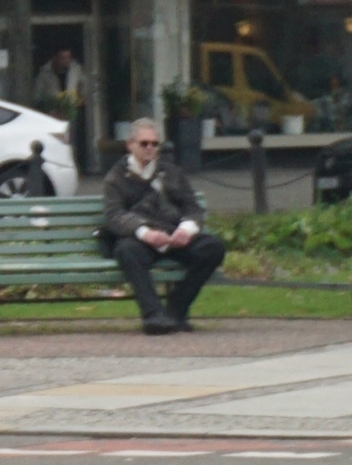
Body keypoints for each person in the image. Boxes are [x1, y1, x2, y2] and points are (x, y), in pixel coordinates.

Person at [101, 117, 226, 334]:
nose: (150, 148)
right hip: (142, 241)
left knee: (213, 247)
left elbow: (192, 208)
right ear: (130, 145)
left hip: (174, 237)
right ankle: (153, 314)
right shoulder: (115, 178)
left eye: (154, 144)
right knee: (126, 250)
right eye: (144, 143)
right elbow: (114, 215)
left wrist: (186, 230)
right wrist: (145, 233)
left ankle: (174, 311)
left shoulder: (172, 172)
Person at [34, 48, 87, 163]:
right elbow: (38, 94)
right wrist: (48, 106)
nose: (66, 61)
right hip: (52, 112)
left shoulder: (75, 69)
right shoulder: (45, 72)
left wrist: (78, 100)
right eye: (63, 58)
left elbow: (84, 85)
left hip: (70, 110)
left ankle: (72, 163)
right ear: (55, 58)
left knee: (71, 139)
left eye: (68, 57)